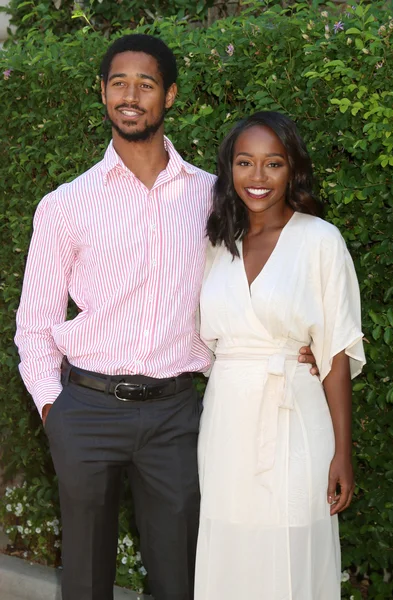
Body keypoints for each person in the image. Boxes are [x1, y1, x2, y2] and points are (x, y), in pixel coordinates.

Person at [15, 36, 317, 600]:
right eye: (119, 83)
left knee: (180, 578)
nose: (131, 96)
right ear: (102, 92)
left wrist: (297, 343)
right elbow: (35, 323)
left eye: (146, 84)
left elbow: (262, 276)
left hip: (178, 416)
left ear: (170, 95)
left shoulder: (214, 197)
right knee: (83, 581)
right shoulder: (64, 205)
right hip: (86, 412)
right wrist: (53, 409)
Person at [195, 111, 366, 600]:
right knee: (230, 540)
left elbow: (333, 354)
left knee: (292, 541)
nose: (258, 177)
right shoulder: (217, 243)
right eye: (246, 162)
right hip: (227, 418)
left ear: (292, 170)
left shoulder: (320, 241)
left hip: (295, 417)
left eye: (273, 164)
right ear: (230, 168)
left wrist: (342, 451)